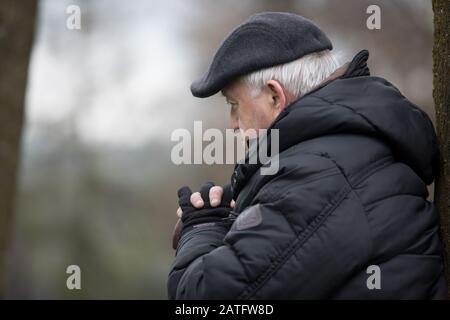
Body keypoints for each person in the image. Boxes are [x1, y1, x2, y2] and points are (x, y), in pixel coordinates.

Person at [168, 12, 447, 299]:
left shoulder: (320, 177)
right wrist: (230, 219)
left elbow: (202, 299)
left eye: (234, 104)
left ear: (275, 96)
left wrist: (201, 228)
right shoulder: (346, 155)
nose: (233, 123)